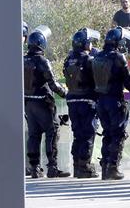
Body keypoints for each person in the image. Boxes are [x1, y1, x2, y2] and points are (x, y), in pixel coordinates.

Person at [92, 26, 130, 180]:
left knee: (107, 133)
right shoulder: (118, 57)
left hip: (101, 101)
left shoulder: (98, 56)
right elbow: (128, 81)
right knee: (118, 134)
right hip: (115, 100)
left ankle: (106, 167)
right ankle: (113, 167)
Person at [24, 27, 69, 179]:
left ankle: (35, 168)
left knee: (33, 136)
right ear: (41, 44)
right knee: (52, 132)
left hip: (28, 103)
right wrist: (65, 94)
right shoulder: (43, 61)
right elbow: (53, 84)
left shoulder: (22, 60)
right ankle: (52, 167)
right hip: (44, 102)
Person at [63, 28, 101, 179]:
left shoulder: (68, 59)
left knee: (77, 134)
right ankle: (85, 166)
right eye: (89, 43)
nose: (91, 45)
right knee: (88, 134)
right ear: (85, 44)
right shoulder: (89, 60)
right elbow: (97, 80)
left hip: (72, 100)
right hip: (87, 101)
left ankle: (76, 165)